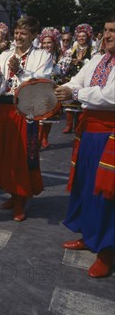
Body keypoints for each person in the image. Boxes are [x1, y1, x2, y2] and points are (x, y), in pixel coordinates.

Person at [55, 14, 115, 278]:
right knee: (87, 184)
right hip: (90, 130)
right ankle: (90, 235)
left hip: (110, 133)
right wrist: (64, 88)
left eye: (113, 31)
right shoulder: (98, 59)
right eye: (106, 30)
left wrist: (75, 93)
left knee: (107, 191)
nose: (108, 35)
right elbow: (77, 81)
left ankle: (107, 251)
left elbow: (110, 96)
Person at [0, 16, 53, 222]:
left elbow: (42, 82)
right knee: (3, 153)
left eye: (23, 33)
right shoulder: (5, 54)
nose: (18, 36)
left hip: (25, 110)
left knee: (21, 155)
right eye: (16, 32)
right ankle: (13, 195)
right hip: (4, 110)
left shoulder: (42, 56)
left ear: (33, 35)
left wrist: (20, 70)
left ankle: (21, 198)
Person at [61, 24, 93, 134]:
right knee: (69, 104)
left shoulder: (91, 50)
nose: (81, 38)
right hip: (72, 76)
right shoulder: (72, 50)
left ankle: (78, 126)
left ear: (87, 37)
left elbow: (93, 64)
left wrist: (82, 62)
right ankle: (69, 125)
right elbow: (64, 63)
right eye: (79, 36)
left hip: (84, 78)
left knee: (80, 104)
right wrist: (70, 62)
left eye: (83, 36)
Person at [37, 27, 62, 149]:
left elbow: (63, 71)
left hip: (53, 88)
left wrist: (55, 66)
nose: (47, 45)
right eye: (45, 43)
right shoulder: (38, 55)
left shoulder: (59, 56)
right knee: (40, 115)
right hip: (41, 89)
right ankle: (38, 137)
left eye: (49, 42)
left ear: (54, 43)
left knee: (50, 115)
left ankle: (45, 137)